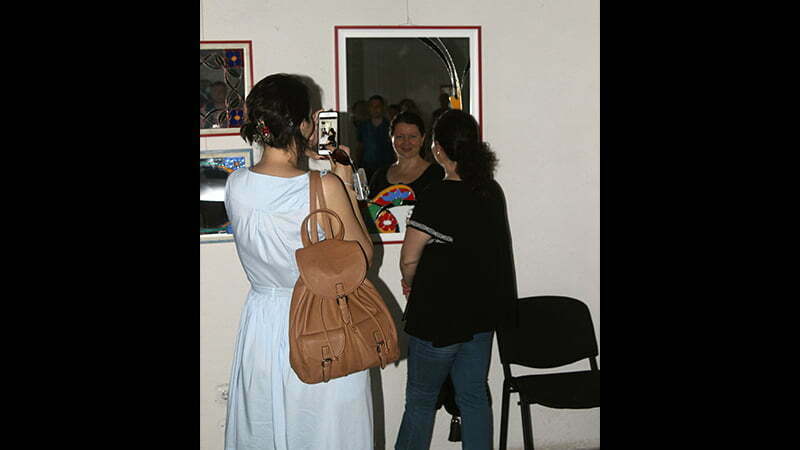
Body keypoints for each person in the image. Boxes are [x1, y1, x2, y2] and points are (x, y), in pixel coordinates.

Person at [223, 73, 375, 450]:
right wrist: (343, 179)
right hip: (319, 320)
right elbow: (362, 259)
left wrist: (303, 152)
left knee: (266, 423)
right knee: (325, 429)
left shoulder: (236, 184)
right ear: (306, 124)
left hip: (262, 323)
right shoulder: (325, 186)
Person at [394, 109, 517, 450]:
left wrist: (411, 282)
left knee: (421, 400)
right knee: (474, 396)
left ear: (437, 148)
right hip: (481, 317)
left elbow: (409, 259)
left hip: (439, 319)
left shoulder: (437, 195)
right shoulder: (491, 191)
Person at [365, 111, 444, 234]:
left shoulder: (437, 174)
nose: (406, 142)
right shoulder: (379, 175)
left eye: (412, 136)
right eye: (400, 137)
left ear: (422, 139)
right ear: (391, 138)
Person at [356, 94, 395, 180]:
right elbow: (360, 147)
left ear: (382, 108)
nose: (375, 109)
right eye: (372, 106)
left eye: (378, 106)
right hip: (368, 167)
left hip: (386, 166)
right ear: (369, 108)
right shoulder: (363, 126)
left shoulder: (390, 126)